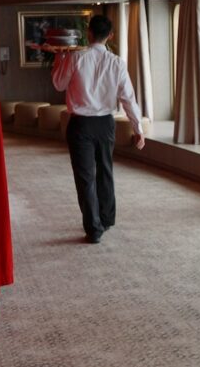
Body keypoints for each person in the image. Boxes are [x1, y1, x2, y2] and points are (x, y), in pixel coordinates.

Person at [47, 14, 145, 243]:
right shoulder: (117, 62)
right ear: (110, 36)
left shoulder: (75, 58)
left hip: (81, 125)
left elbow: (59, 84)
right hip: (106, 124)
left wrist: (59, 58)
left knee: (85, 177)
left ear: (88, 33)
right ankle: (107, 218)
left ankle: (94, 229)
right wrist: (137, 128)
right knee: (105, 171)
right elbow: (128, 98)